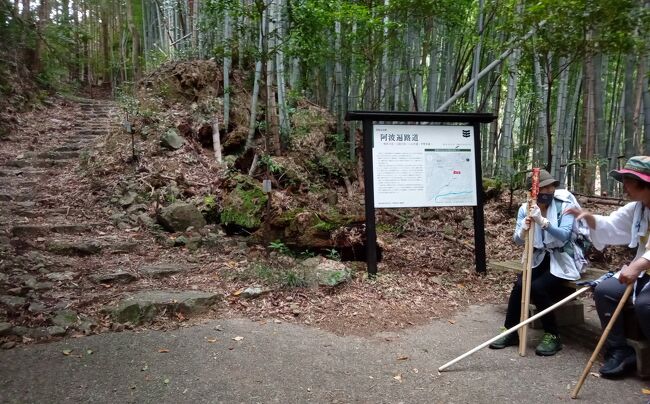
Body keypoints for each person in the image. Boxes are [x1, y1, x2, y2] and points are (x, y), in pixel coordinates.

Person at [566, 155, 650, 377]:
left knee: (645, 305)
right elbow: (611, 226)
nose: (625, 187)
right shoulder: (637, 209)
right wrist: (590, 219)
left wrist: (639, 264)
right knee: (605, 291)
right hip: (643, 272)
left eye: (628, 180)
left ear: (644, 184)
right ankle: (620, 351)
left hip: (643, 269)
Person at [489, 169, 582, 356]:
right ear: (533, 191)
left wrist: (543, 221)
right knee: (520, 285)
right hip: (539, 255)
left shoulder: (565, 205)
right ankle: (511, 331)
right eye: (543, 187)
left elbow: (564, 236)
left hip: (563, 256)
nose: (548, 191)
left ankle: (553, 335)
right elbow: (517, 240)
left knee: (538, 287)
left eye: (551, 186)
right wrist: (523, 230)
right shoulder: (525, 208)